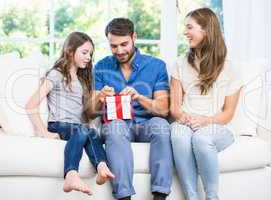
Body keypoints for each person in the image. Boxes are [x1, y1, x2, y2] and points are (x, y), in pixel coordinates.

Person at [86, 18, 173, 200]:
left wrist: (139, 97)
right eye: (113, 46)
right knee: (115, 127)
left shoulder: (156, 66)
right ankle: (124, 197)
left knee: (162, 125)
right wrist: (100, 97)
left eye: (124, 44)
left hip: (146, 123)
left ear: (134, 37)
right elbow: (90, 112)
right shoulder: (101, 67)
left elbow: (163, 109)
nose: (119, 51)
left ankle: (160, 195)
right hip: (118, 123)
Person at [25, 31, 114, 196]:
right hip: (59, 124)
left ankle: (102, 167)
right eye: (84, 52)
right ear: (70, 51)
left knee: (89, 130)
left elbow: (86, 115)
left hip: (78, 126)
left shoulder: (82, 78)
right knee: (84, 130)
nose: (88, 57)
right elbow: (30, 105)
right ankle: (71, 174)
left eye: (91, 54)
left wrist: (100, 97)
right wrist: (44, 132)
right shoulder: (56, 74)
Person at [170, 8, 243, 200]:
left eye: (189, 27)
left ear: (206, 30)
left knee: (201, 138)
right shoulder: (180, 63)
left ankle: (212, 197)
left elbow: (228, 113)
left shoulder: (230, 67)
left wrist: (204, 121)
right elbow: (175, 108)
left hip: (216, 125)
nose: (185, 32)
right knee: (178, 135)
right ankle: (191, 197)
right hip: (186, 123)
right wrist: (185, 118)